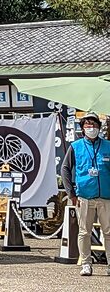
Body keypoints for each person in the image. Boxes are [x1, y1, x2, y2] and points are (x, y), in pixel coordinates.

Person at [61, 114, 110, 276]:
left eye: (94, 124)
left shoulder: (108, 146)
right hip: (84, 196)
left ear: (99, 126)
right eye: (87, 125)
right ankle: (86, 263)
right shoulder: (75, 147)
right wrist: (71, 193)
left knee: (108, 232)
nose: (91, 128)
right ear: (82, 128)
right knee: (84, 232)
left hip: (106, 197)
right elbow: (65, 169)